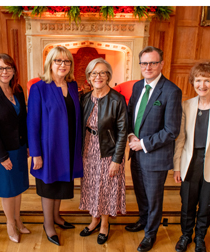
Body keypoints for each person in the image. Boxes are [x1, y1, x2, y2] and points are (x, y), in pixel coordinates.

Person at [125, 46, 182, 252]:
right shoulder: (138, 86)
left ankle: (151, 234)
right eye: (144, 63)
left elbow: (171, 130)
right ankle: (143, 220)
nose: (148, 67)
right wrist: (131, 135)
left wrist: (143, 144)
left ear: (161, 64)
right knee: (140, 192)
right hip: (136, 151)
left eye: (152, 63)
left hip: (155, 155)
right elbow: (131, 113)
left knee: (154, 197)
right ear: (140, 65)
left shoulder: (171, 91)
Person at [27, 46, 83, 246]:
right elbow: (32, 123)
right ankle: (48, 223)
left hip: (68, 147)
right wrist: (36, 154)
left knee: (61, 184)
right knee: (49, 186)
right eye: (58, 61)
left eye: (66, 61)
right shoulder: (39, 88)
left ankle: (57, 216)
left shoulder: (74, 86)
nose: (62, 65)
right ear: (50, 63)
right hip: (48, 150)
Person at [0, 54, 30, 243]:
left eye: (8, 68)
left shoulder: (17, 90)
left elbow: (23, 121)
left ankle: (18, 219)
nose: (4, 72)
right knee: (8, 190)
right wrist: (1, 157)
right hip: (1, 151)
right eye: (0, 68)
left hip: (18, 147)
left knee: (17, 188)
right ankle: (10, 223)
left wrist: (26, 145)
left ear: (13, 70)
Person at [79, 58, 128, 245]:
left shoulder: (117, 99)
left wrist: (117, 159)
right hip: (88, 148)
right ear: (89, 77)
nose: (97, 76)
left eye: (102, 73)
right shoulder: (85, 98)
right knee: (92, 186)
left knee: (106, 188)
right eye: (93, 73)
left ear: (108, 76)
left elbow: (123, 131)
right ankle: (94, 220)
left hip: (108, 150)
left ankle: (104, 224)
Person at [173, 62, 210, 252]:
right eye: (198, 80)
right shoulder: (187, 105)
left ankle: (200, 238)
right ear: (193, 82)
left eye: (207, 80)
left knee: (206, 205)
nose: (202, 85)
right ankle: (186, 235)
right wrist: (177, 166)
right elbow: (180, 139)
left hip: (209, 164)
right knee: (187, 202)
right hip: (190, 161)